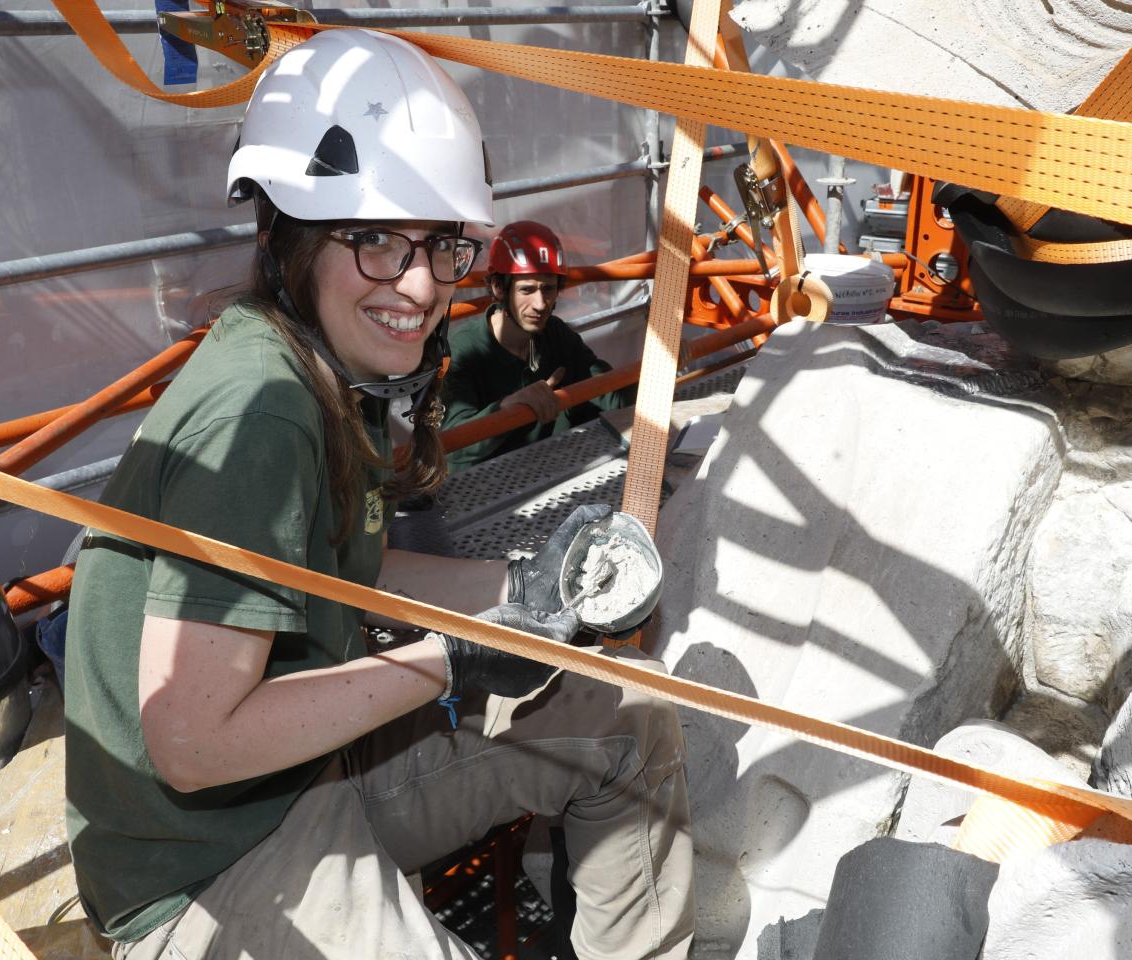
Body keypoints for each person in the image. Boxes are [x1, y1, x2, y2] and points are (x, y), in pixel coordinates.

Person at [61, 29, 692, 960]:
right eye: (373, 240)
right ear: (289, 237)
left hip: (303, 769)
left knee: (626, 717)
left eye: (440, 245)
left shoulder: (315, 369)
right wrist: (456, 663)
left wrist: (527, 587)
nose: (419, 283)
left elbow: (344, 569)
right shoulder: (264, 411)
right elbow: (191, 742)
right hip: (204, 863)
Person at [441, 221, 636, 474]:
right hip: (490, 484)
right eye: (527, 290)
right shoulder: (463, 351)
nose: (540, 304)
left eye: (548, 289)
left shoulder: (555, 334)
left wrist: (658, 371)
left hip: (555, 468)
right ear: (499, 288)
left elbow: (609, 393)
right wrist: (507, 408)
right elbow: (451, 445)